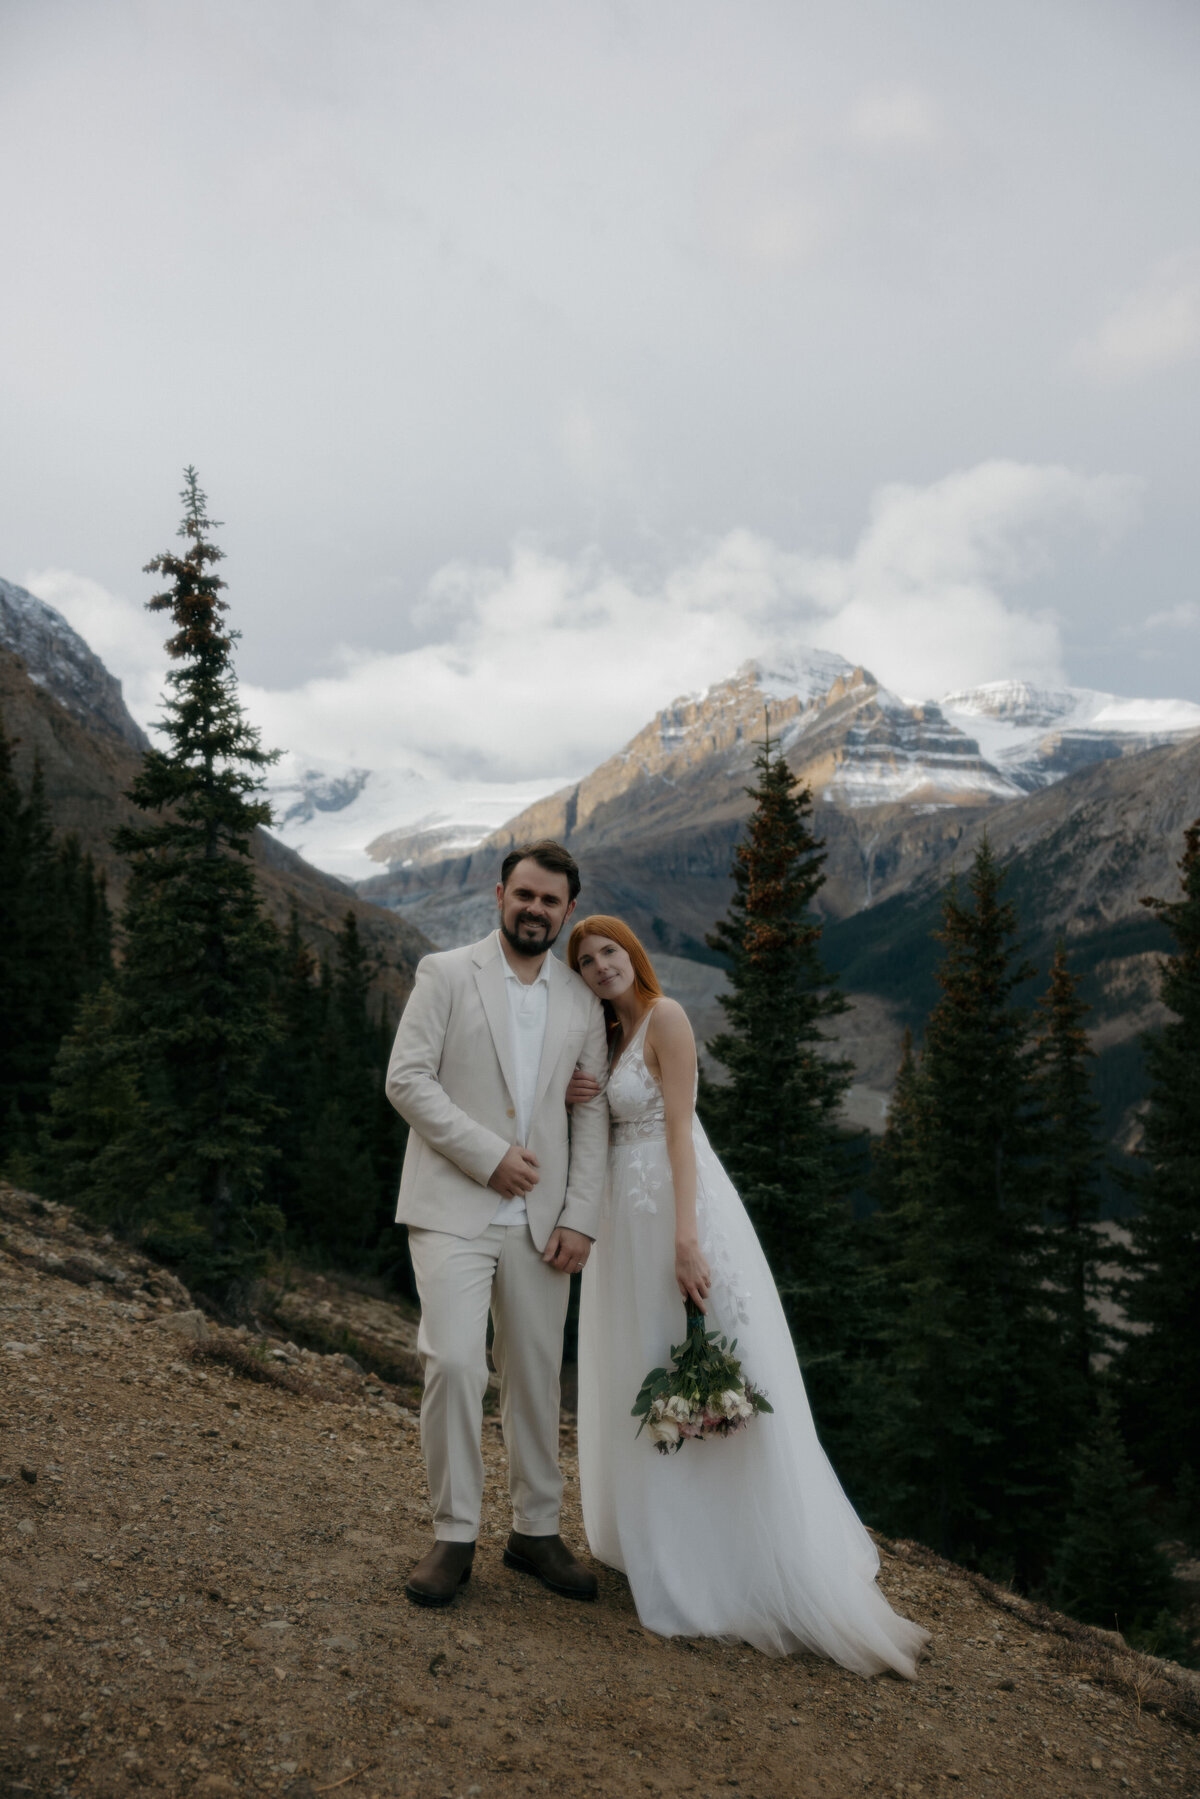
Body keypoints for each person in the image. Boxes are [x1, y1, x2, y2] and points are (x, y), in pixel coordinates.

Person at [565, 915, 930, 1678]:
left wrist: (687, 1236)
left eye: (610, 951)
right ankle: (662, 1540)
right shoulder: (602, 1038)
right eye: (587, 959)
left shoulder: (667, 1017)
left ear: (633, 955)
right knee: (642, 1365)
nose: (601, 965)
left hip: (674, 1205)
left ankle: (742, 1556)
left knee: (707, 1359)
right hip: (620, 1225)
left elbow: (678, 1131)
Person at [386, 841, 609, 1607]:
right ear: (499, 893)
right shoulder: (445, 973)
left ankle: (534, 1531)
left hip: (544, 1222)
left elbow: (592, 1118)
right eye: (524, 894)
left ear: (568, 910)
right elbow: (406, 1080)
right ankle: (453, 1535)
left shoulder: (583, 1002)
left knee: (537, 1378)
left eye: (550, 900)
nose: (535, 909)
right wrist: (489, 1157)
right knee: (454, 1361)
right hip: (453, 1204)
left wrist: (581, 1215)